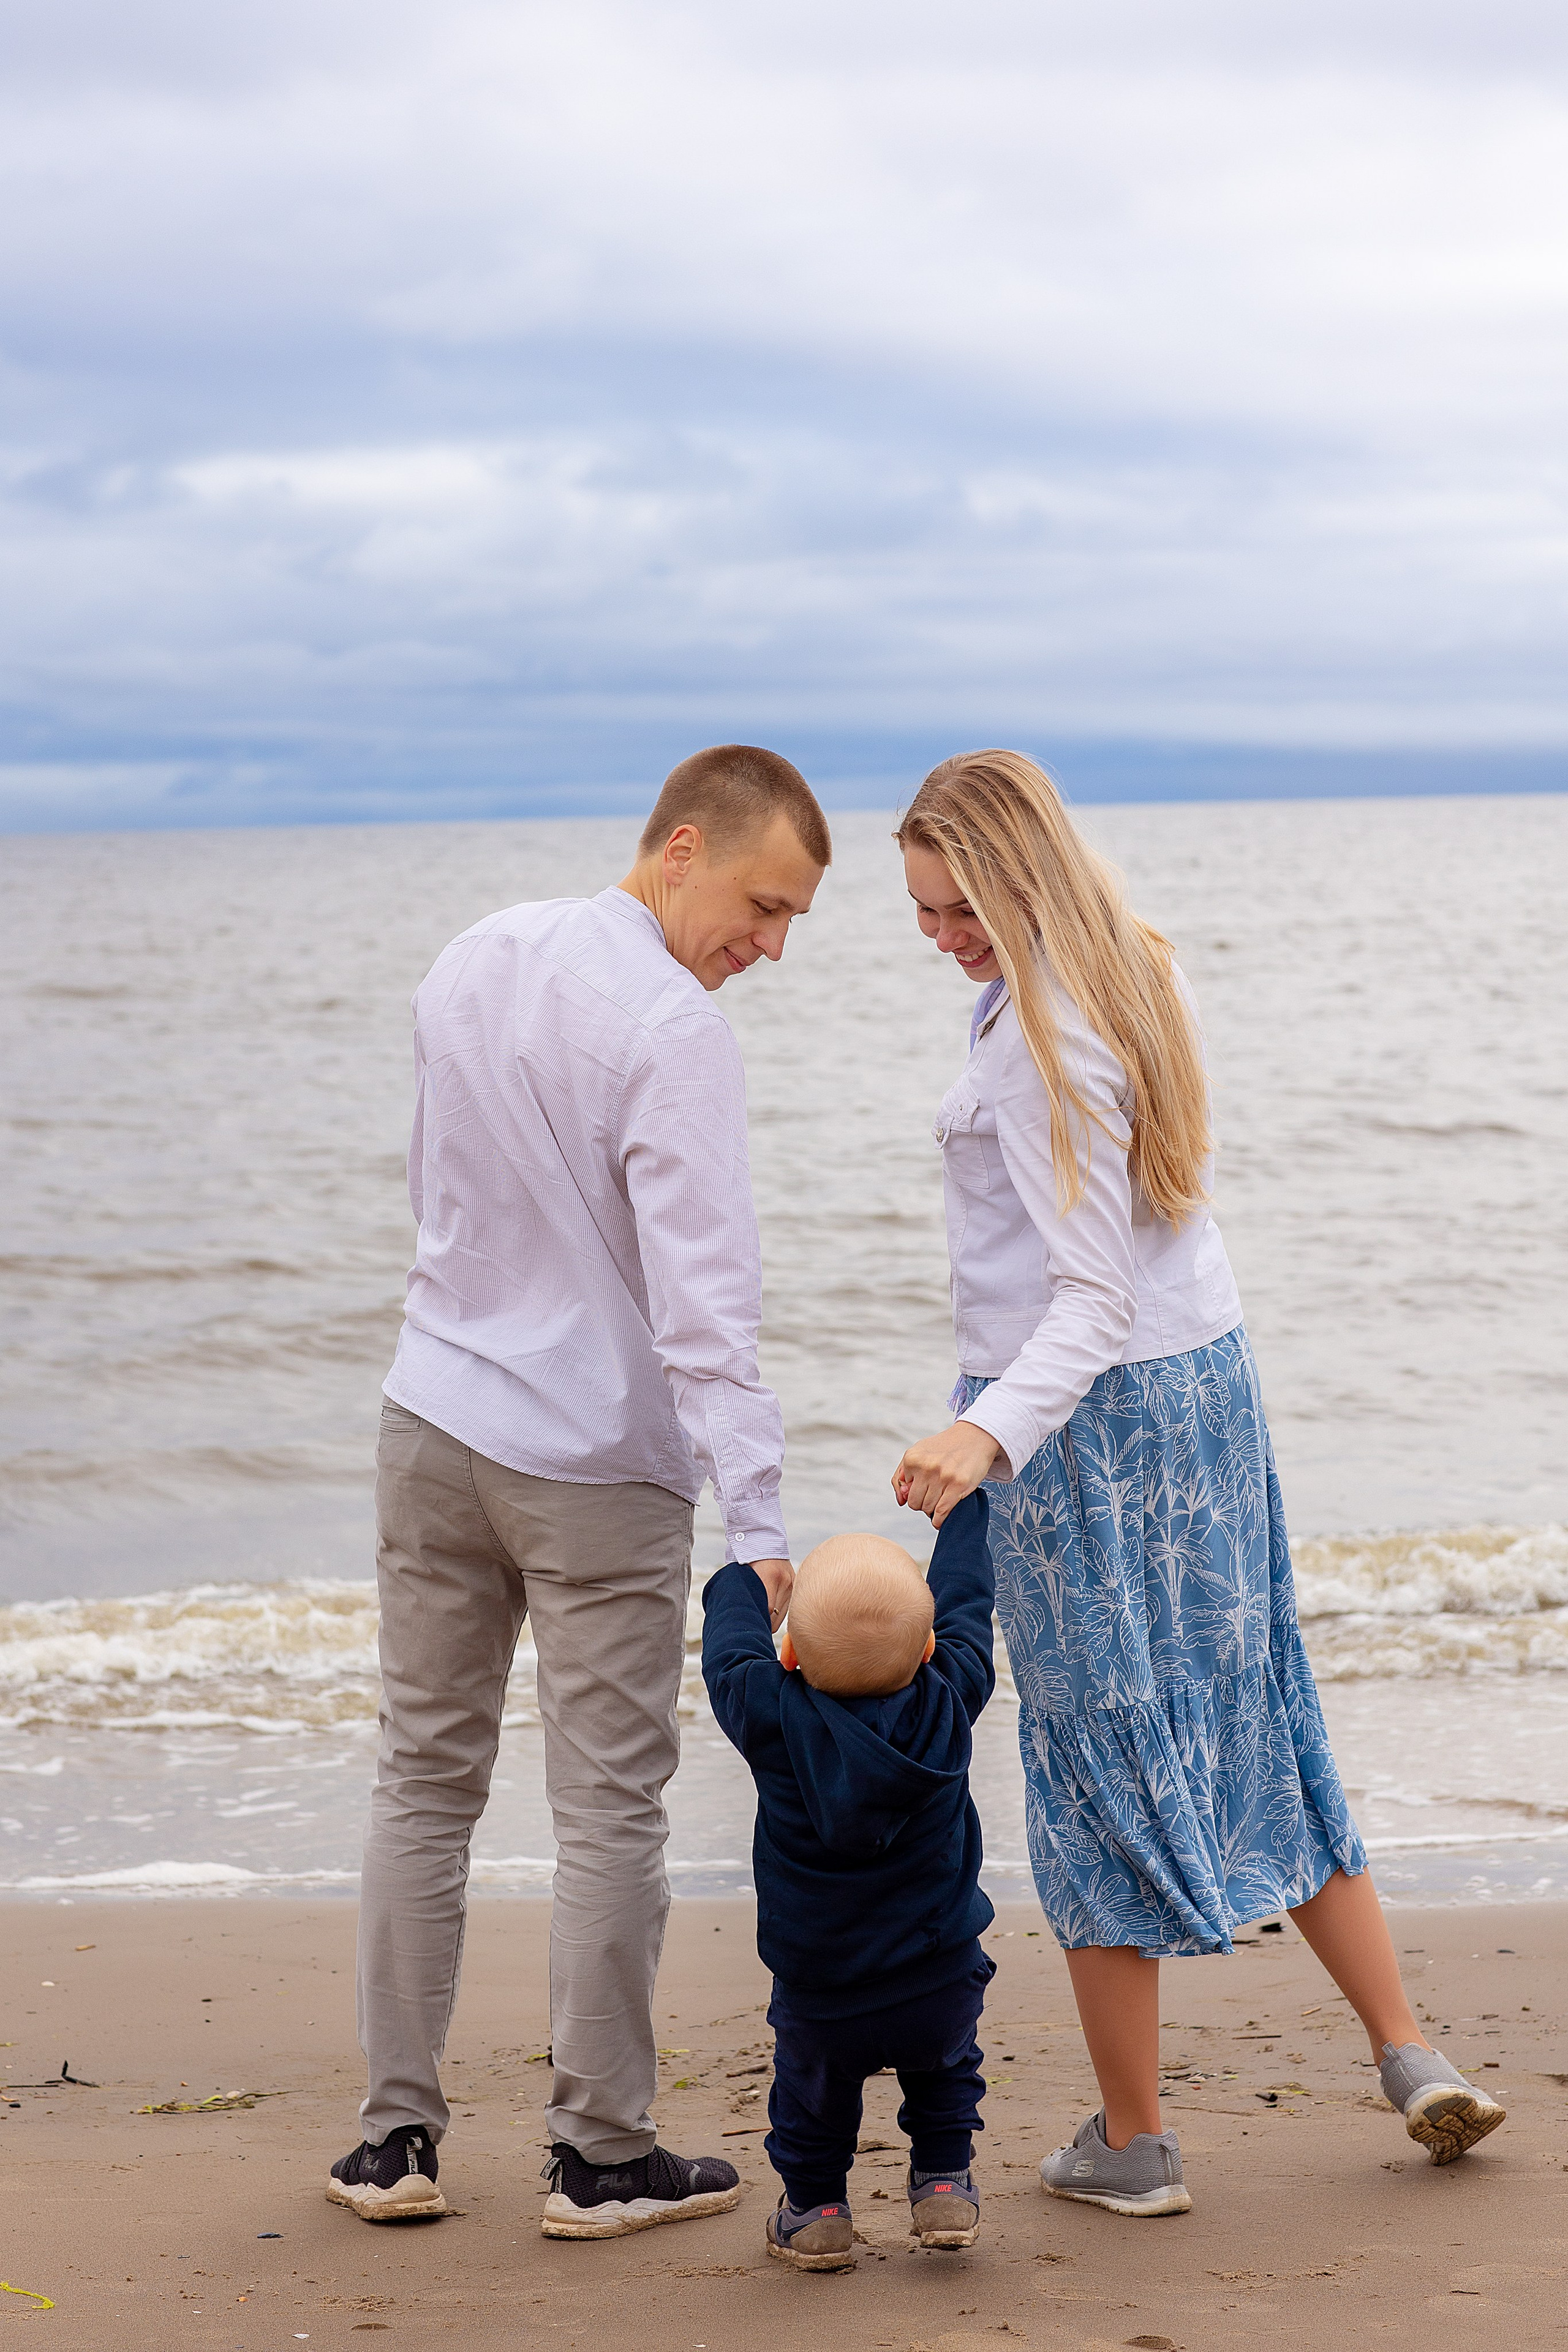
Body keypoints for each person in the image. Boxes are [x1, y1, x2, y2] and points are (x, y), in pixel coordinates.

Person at [890, 748, 1505, 2218]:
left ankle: (1133, 2138)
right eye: (920, 914)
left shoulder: (1051, 1033)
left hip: (1088, 1417)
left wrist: (985, 1433)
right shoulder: (1126, 972)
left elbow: (1084, 1296)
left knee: (1095, 1736)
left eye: (956, 906)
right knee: (1245, 1696)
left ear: (1017, 873)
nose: (940, 937)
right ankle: (1404, 2050)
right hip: (1199, 1387)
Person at [326, 746, 829, 2236]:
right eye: (762, 902)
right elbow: (705, 1309)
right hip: (591, 1459)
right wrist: (761, 1529)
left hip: (429, 1415)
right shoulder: (673, 1028)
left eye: (794, 918)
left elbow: (439, 1196)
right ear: (679, 846)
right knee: (609, 1802)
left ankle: (391, 2147)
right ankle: (598, 2153)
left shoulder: (474, 952)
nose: (772, 945)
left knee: (422, 1774)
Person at [701, 1494, 997, 2272]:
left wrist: (745, 1569)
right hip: (940, 1967)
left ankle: (817, 2210)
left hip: (821, 1981)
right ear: (932, 1649)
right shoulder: (951, 1699)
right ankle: (942, 2185)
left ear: (790, 1654)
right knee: (945, 2075)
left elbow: (729, 1654)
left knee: (811, 2096)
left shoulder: (770, 1714)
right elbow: (967, 1597)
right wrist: (966, 1510)